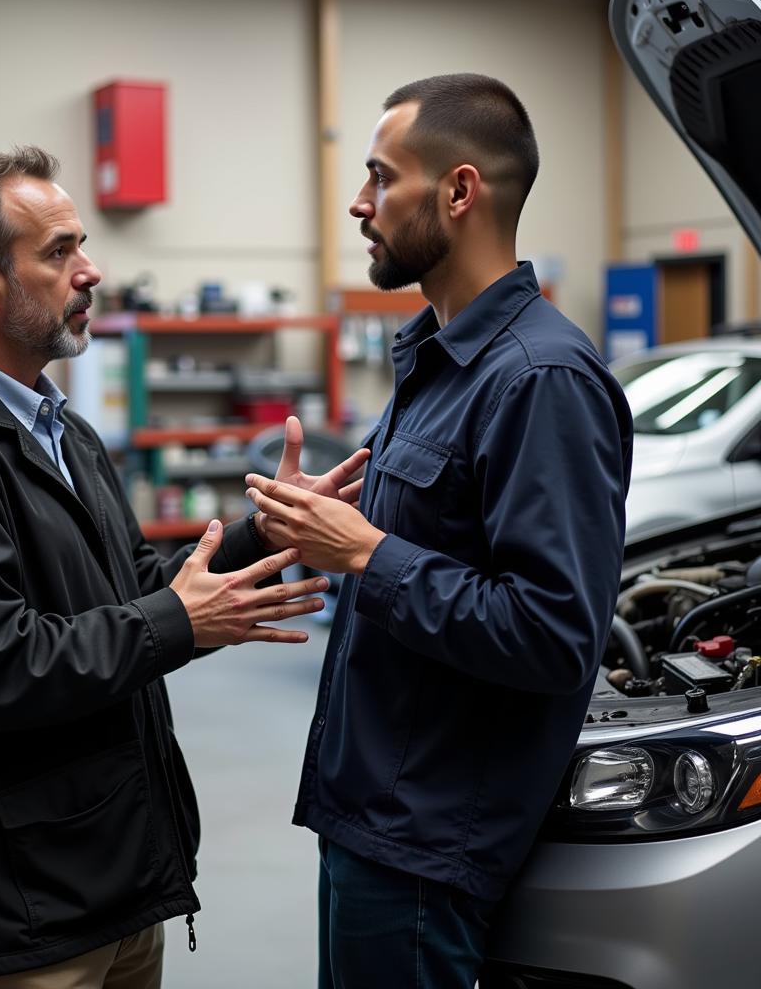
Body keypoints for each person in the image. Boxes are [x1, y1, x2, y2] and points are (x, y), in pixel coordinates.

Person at [0, 147, 364, 988]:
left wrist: (269, 532)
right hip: (20, 910)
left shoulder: (63, 430)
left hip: (112, 880)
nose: (91, 271)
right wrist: (177, 624)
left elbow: (130, 595)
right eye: (60, 252)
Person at [245, 74, 634, 988]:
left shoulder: (540, 380)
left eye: (381, 177)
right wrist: (324, 522)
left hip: (426, 847)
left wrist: (367, 553)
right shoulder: (438, 359)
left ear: (458, 192)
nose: (358, 202)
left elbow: (551, 633)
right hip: (370, 816)